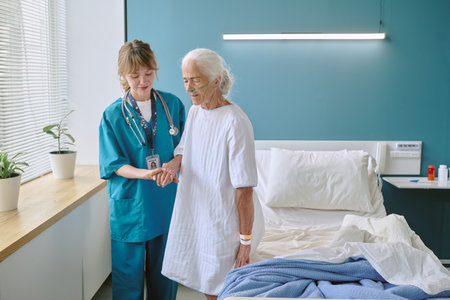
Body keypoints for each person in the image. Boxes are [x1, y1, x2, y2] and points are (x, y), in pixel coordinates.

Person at [158, 48, 264, 300]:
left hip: (228, 219)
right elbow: (185, 150)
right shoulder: (195, 112)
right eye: (185, 80)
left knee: (220, 286)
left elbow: (245, 189)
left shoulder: (235, 122)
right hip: (201, 212)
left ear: (215, 80)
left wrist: (245, 242)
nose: (188, 87)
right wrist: (172, 165)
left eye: (194, 80)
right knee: (208, 285)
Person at [98, 40, 185, 300]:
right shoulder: (112, 114)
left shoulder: (173, 105)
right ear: (123, 76)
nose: (142, 81)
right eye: (134, 76)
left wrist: (173, 164)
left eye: (148, 73)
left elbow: (185, 148)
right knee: (127, 282)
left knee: (165, 276)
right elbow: (113, 164)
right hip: (131, 205)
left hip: (164, 201)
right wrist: (144, 174)